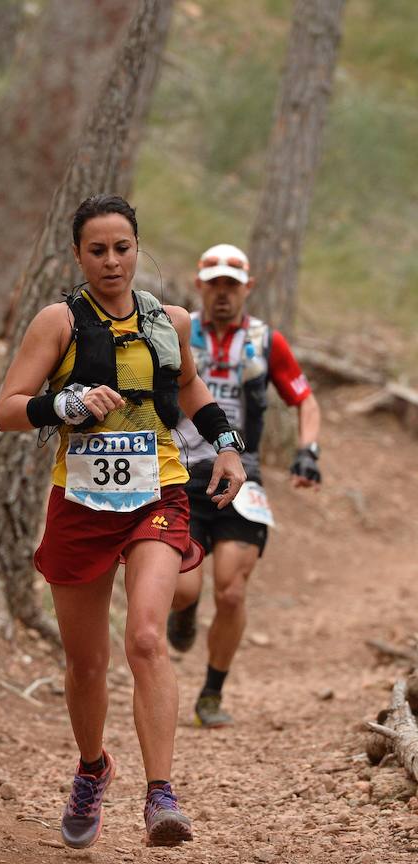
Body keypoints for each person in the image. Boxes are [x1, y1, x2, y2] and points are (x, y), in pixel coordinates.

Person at [0, 197, 246, 849]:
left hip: (158, 492)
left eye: (123, 247)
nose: (112, 260)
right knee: (86, 663)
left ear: (139, 248)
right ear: (78, 255)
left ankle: (161, 793)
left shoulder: (171, 319)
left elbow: (189, 389)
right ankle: (92, 768)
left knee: (145, 638)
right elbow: (7, 410)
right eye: (98, 250)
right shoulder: (60, 323)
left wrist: (227, 446)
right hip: (79, 502)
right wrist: (66, 401)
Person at [168, 243, 321, 728]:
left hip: (242, 478)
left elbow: (306, 400)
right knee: (182, 589)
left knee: (232, 592)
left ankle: (211, 693)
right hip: (183, 473)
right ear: (200, 285)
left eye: (231, 285)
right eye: (213, 283)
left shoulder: (264, 341)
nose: (221, 294)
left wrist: (307, 451)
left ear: (247, 289)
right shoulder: (175, 333)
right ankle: (185, 615)